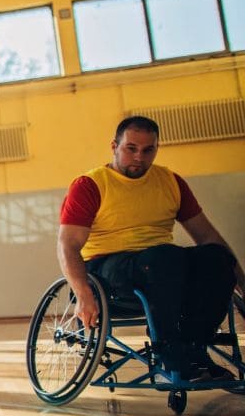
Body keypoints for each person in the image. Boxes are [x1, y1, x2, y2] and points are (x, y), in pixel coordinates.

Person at [57, 115, 244, 383]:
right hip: (108, 269)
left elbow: (207, 234)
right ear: (114, 146)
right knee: (164, 258)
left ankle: (193, 349)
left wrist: (242, 284)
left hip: (163, 266)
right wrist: (82, 293)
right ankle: (168, 351)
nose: (139, 157)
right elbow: (68, 244)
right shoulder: (90, 185)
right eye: (130, 148)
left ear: (157, 148)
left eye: (148, 150)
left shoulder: (171, 181)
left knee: (217, 257)